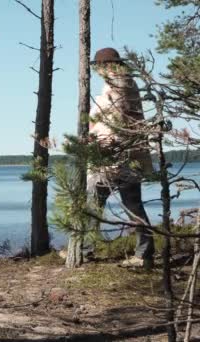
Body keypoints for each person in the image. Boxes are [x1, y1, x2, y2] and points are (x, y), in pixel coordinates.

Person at [87, 47, 155, 268]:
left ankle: (86, 248)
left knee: (96, 202)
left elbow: (113, 121)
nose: (97, 70)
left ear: (106, 65)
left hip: (114, 154)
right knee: (131, 204)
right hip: (125, 152)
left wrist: (98, 142)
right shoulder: (123, 83)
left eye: (98, 65)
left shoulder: (118, 85)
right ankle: (144, 254)